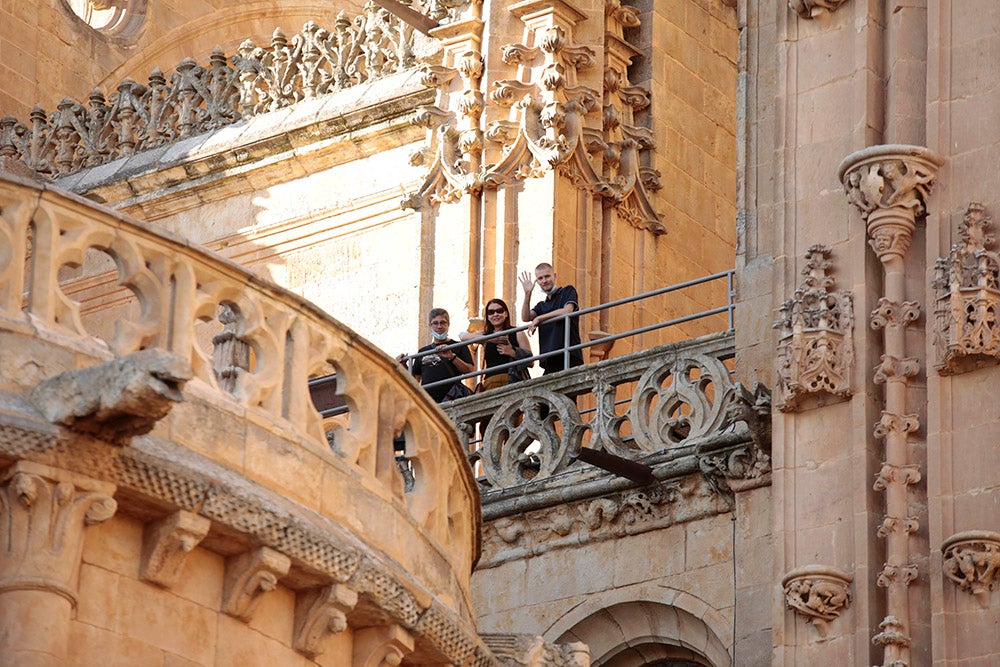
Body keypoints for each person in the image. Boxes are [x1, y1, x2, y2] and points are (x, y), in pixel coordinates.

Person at [520, 263, 583, 374]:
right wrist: (527, 294)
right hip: (550, 357)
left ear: (554, 276)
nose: (544, 281)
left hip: (568, 353)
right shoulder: (542, 305)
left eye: (547, 276)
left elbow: (567, 310)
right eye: (540, 278)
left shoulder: (567, 291)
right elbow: (525, 317)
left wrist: (539, 318)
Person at [401, 308, 475, 403]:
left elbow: (470, 370)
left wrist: (452, 357)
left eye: (443, 323)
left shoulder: (459, 346)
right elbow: (415, 380)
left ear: (448, 324)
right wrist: (404, 365)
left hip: (452, 399)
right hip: (429, 402)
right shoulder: (423, 351)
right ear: (429, 325)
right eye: (435, 323)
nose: (439, 327)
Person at [460, 298, 533, 390]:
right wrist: (490, 339)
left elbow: (531, 362)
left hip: (513, 379)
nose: (495, 314)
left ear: (506, 314)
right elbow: (463, 337)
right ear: (487, 317)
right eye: (491, 312)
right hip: (491, 381)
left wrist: (513, 352)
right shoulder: (485, 334)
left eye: (499, 311)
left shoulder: (517, 332)